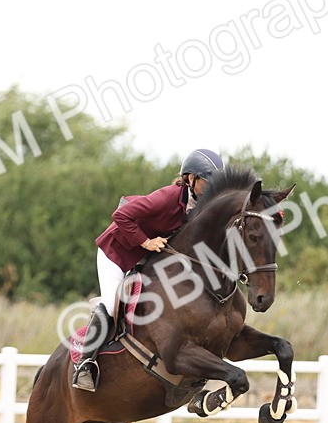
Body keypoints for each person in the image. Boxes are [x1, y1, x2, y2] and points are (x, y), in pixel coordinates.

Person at [72, 148, 224, 391]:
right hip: (116, 253)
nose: (211, 188)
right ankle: (85, 364)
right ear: (190, 179)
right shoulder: (167, 197)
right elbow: (120, 215)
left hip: (144, 258)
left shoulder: (200, 204)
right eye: (207, 182)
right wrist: (146, 242)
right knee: (112, 305)